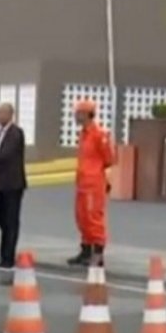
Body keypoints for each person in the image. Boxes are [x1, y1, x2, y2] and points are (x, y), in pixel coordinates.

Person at [70, 100, 115, 267]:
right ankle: (86, 250)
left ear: (86, 114)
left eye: (78, 113)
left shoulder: (99, 135)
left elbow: (109, 158)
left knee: (93, 217)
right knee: (81, 217)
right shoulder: (83, 134)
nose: (75, 116)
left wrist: (97, 173)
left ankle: (98, 253)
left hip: (93, 183)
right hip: (82, 182)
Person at [0, 102, 27, 271]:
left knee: (11, 221)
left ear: (10, 114)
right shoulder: (0, 133)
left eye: (1, 113)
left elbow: (5, 155)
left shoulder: (16, 133)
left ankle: (8, 258)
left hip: (12, 184)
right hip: (0, 184)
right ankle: (3, 256)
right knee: (2, 221)